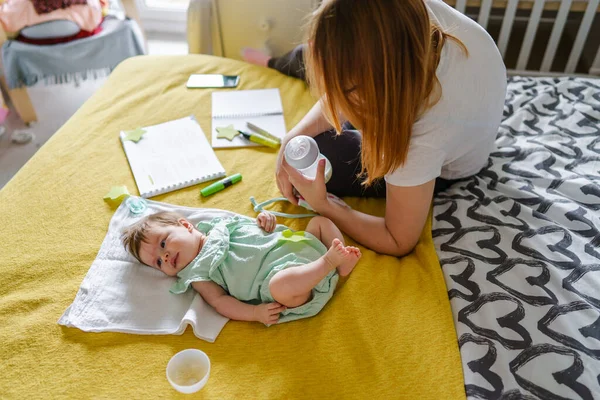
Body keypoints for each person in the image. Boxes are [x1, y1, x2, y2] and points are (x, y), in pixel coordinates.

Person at [243, 0, 507, 257]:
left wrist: (324, 204)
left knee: (314, 158)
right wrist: (293, 135)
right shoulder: (402, 13)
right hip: (433, 103)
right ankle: (272, 63)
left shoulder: (421, 139)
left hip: (448, 167)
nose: (331, 97)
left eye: (345, 91)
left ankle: (285, 65)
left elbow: (398, 239)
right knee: (308, 60)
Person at [121, 210, 360, 325]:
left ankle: (342, 264)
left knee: (320, 223)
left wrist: (265, 219)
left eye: (163, 243)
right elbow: (220, 302)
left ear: (185, 225)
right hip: (284, 281)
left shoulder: (221, 225)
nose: (165, 256)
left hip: (293, 247)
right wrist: (254, 313)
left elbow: (255, 227)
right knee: (280, 286)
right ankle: (329, 263)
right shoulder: (197, 274)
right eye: (158, 262)